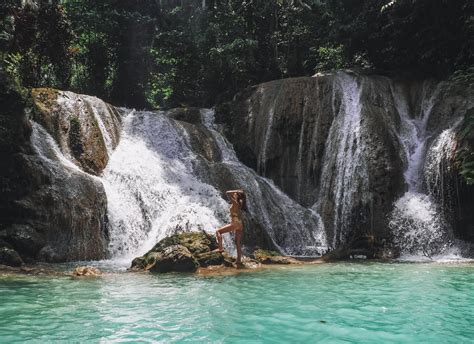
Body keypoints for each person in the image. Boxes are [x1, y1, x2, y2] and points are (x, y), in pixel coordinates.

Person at [215, 189, 246, 265]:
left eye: (235, 194)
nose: (234, 194)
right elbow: (231, 195)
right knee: (237, 243)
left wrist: (237, 191)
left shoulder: (235, 203)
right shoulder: (240, 203)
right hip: (240, 224)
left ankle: (220, 248)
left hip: (235, 222)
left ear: (238, 195)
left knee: (218, 231)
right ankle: (239, 260)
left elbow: (227, 192)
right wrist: (237, 193)